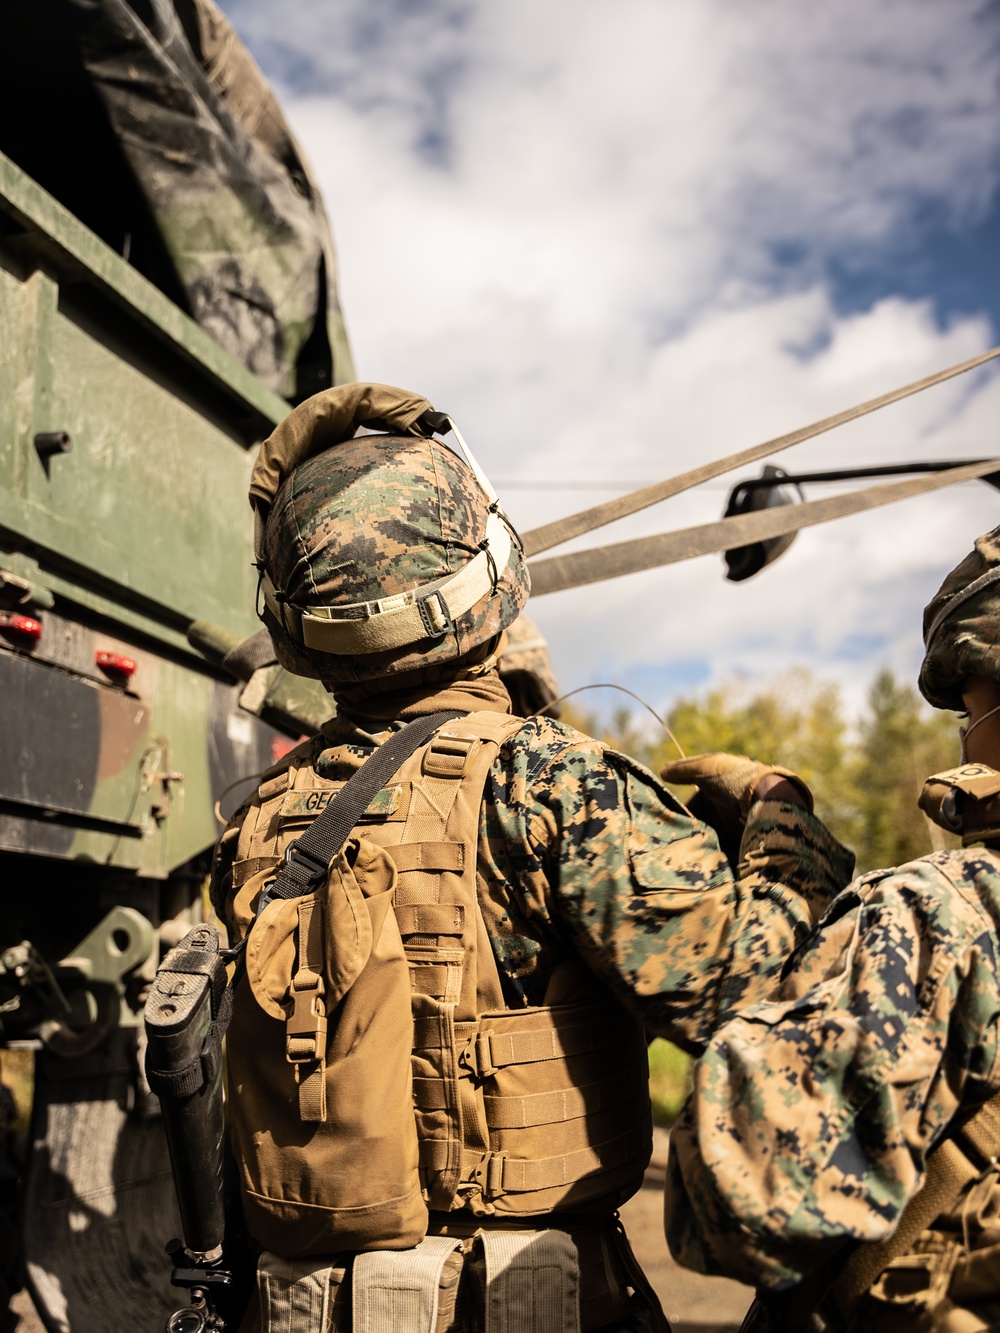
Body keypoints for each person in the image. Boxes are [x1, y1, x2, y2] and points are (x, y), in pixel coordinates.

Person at [211, 381, 853, 1333]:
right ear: (492, 574)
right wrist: (780, 823)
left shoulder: (261, 817)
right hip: (520, 1302)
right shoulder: (552, 782)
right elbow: (749, 991)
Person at [663, 525, 1000, 1333]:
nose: (967, 736)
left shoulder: (943, 913)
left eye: (979, 707)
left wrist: (783, 872)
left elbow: (733, 1201)